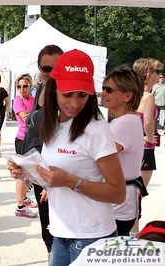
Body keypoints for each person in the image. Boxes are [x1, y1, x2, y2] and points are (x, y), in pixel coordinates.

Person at [8, 49, 126, 266]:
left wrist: (72, 182)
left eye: (82, 94)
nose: (74, 103)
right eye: (67, 94)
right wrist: (25, 171)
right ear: (54, 90)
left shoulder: (96, 129)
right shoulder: (53, 125)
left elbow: (118, 193)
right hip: (60, 232)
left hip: (92, 236)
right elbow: (54, 174)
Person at [21, 44, 64, 255]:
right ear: (39, 68)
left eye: (58, 67)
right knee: (47, 228)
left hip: (53, 173)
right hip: (38, 169)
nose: (52, 73)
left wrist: (50, 182)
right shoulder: (42, 87)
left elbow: (65, 141)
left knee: (55, 231)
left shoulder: (65, 96)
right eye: (47, 69)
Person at [100, 65, 145, 236]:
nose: (103, 93)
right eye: (104, 88)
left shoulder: (122, 124)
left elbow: (99, 158)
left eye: (109, 90)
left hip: (117, 206)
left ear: (127, 95)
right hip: (125, 203)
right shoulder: (130, 120)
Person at [131, 58, 164, 235]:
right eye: (158, 72)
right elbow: (149, 123)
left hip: (133, 146)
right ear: (150, 75)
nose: (160, 75)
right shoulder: (148, 96)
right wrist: (151, 139)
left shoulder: (132, 93)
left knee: (132, 189)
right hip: (145, 146)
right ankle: (133, 232)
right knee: (137, 191)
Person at [12, 73, 38, 218]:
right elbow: (26, 118)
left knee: (28, 173)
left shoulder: (33, 100)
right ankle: (20, 206)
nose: (21, 89)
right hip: (22, 139)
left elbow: (37, 116)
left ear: (30, 86)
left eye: (24, 86)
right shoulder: (18, 100)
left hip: (32, 139)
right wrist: (32, 115)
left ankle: (24, 199)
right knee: (21, 174)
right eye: (19, 86)